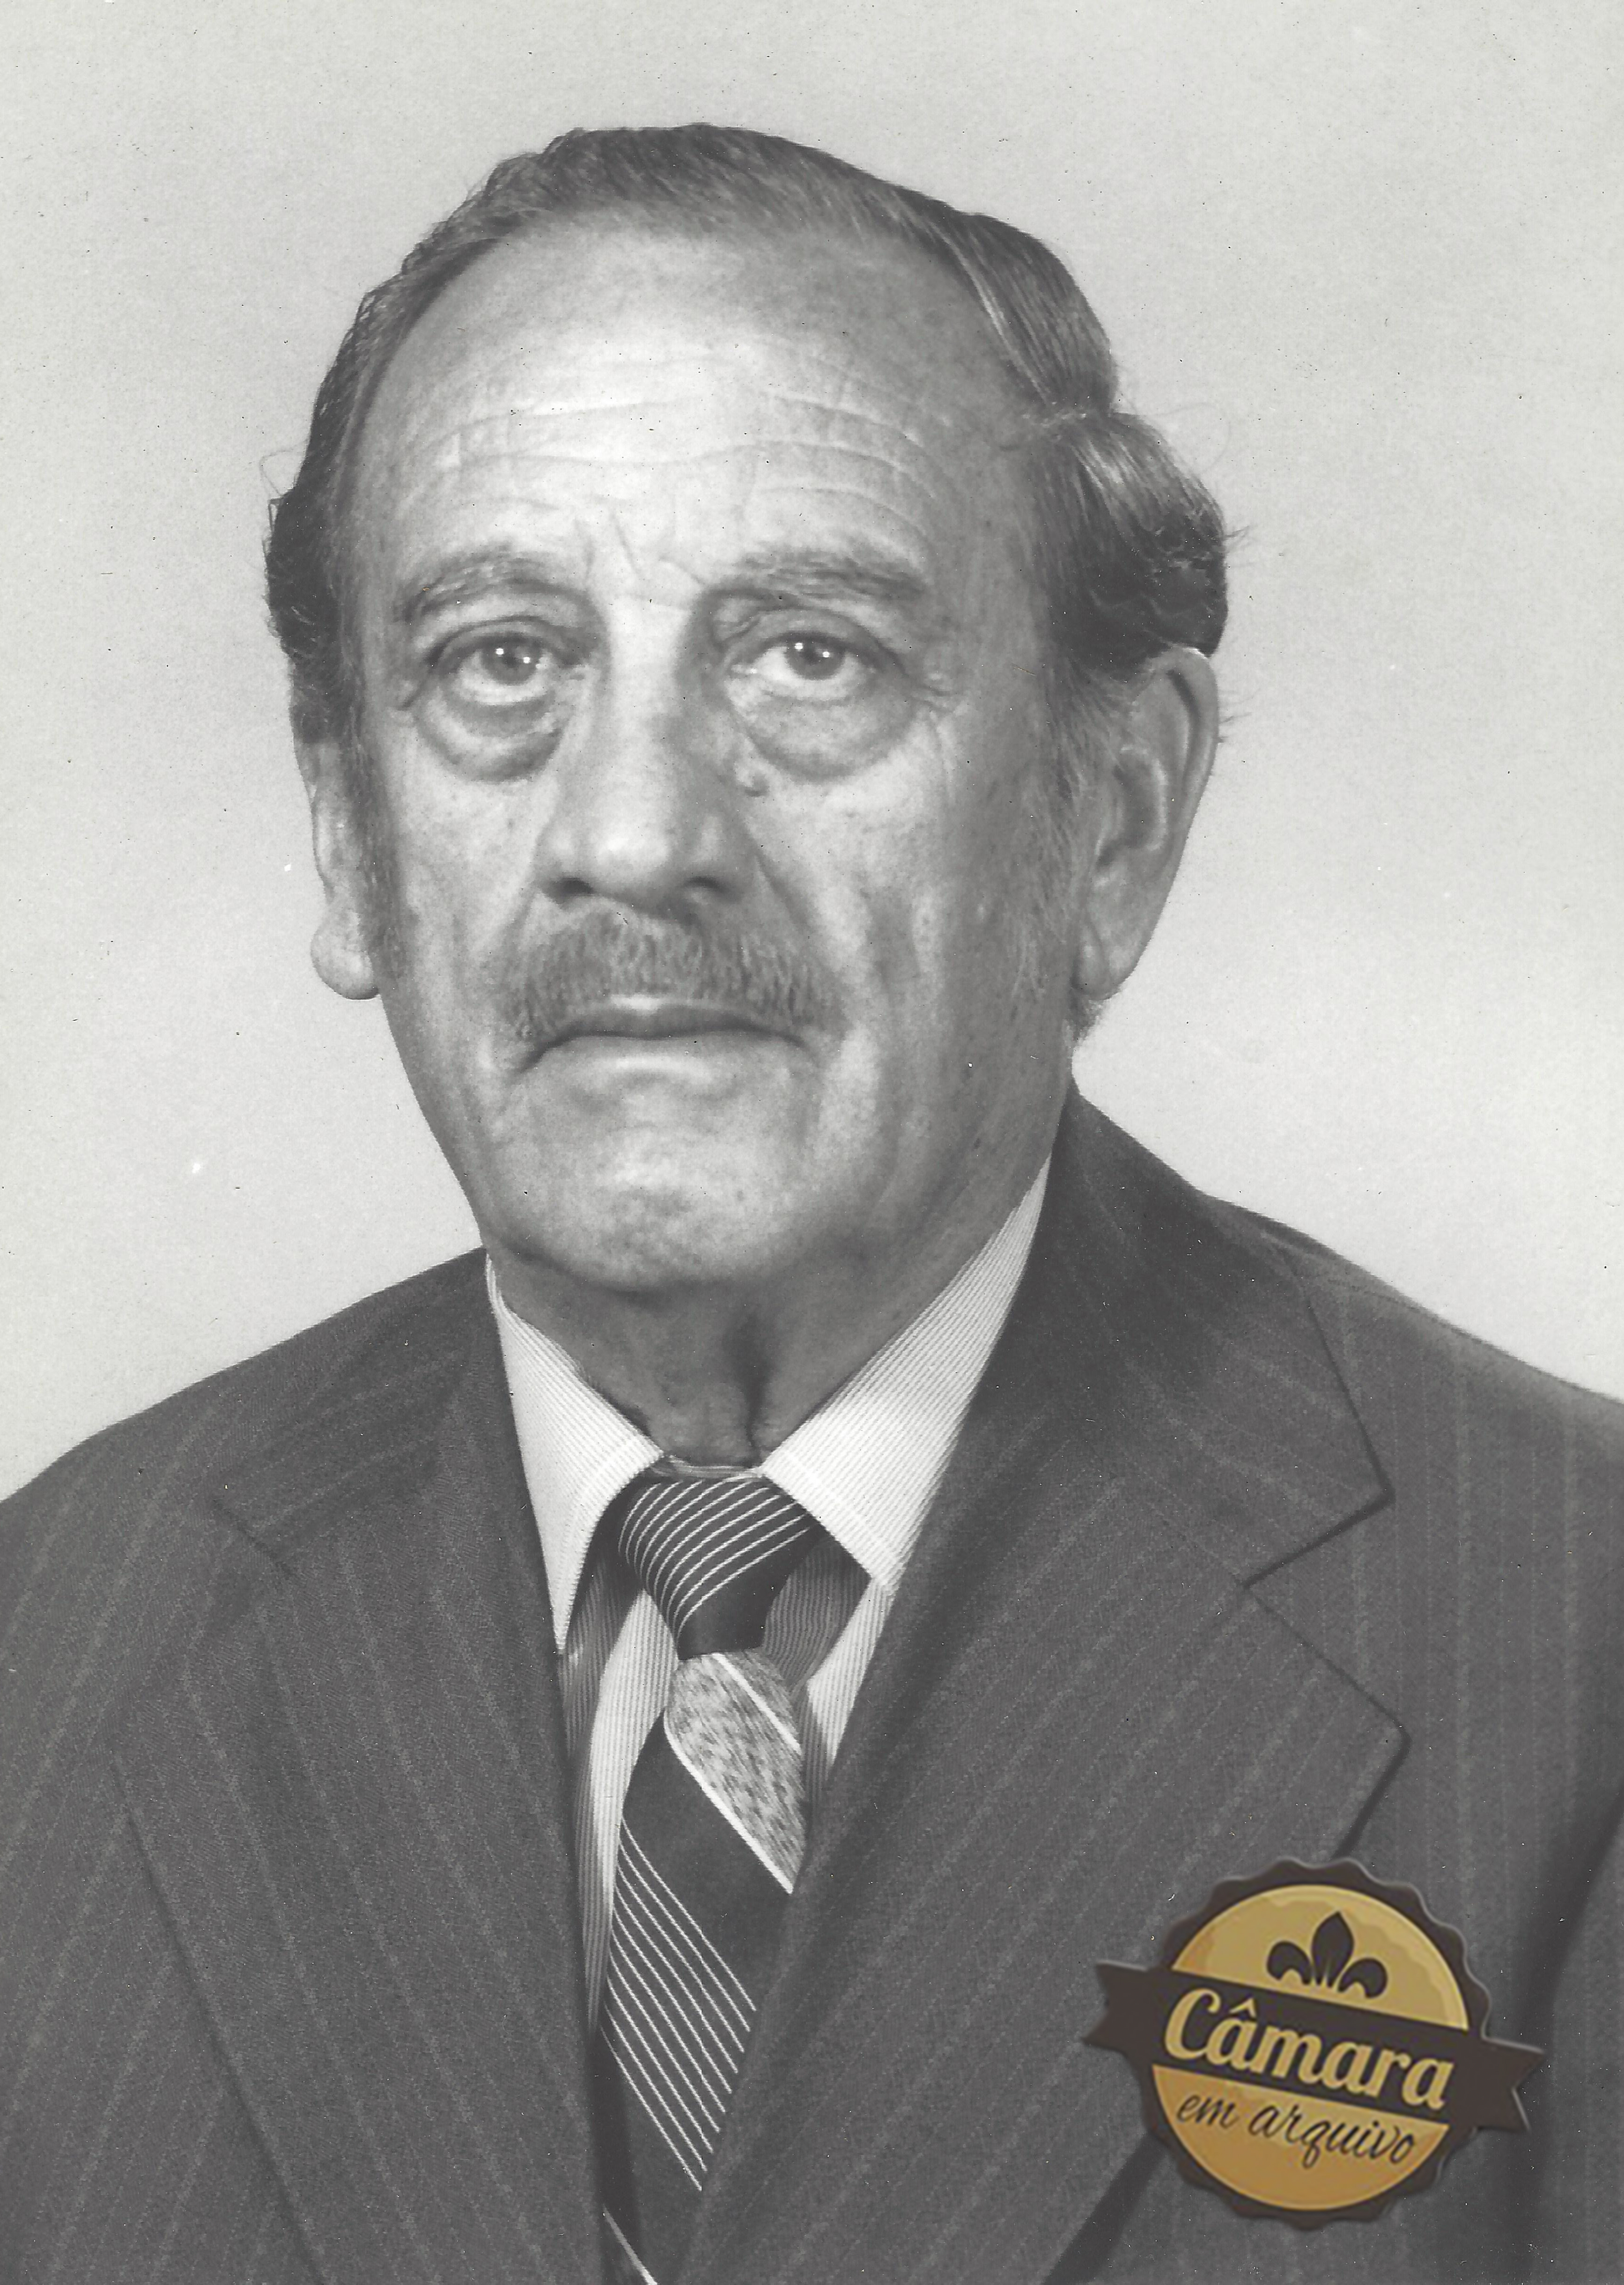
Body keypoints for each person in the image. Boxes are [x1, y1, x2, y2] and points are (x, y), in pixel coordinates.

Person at [1, 124, 1618, 2285]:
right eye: (500, 659)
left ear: (1115, 818)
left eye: (810, 655)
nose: (633, 831)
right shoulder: (46, 1650)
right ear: (349, 837)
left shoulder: (1576, 1648)